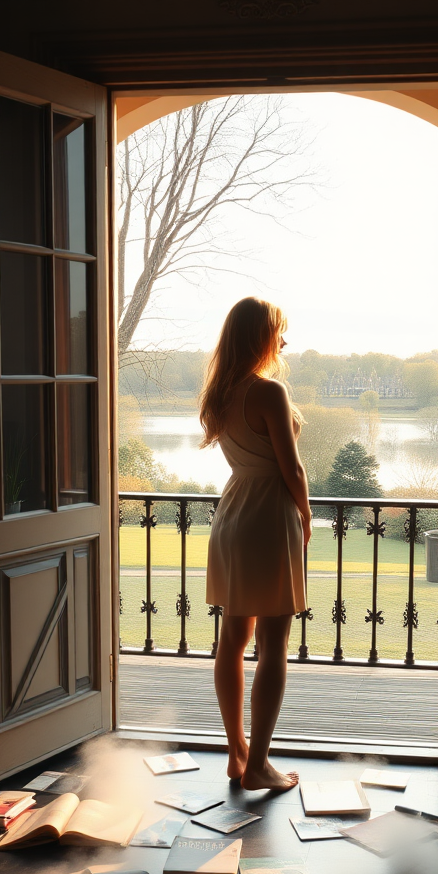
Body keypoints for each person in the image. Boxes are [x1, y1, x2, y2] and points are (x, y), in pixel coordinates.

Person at [199, 297, 312, 792]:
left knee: (232, 639)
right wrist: (307, 515)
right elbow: (293, 468)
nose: (284, 341)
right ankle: (260, 765)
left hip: (233, 512)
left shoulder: (221, 392)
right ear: (260, 337)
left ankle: (237, 752)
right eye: (279, 332)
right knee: (273, 645)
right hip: (267, 514)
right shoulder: (269, 391)